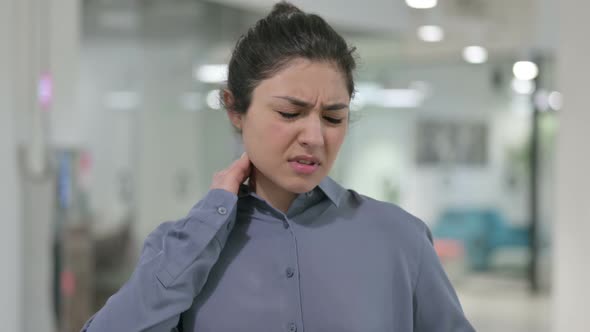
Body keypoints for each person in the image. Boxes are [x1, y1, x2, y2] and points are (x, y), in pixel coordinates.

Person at [81, 2, 475, 331]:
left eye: (334, 118)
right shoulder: (182, 247)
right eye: (290, 113)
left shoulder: (400, 239)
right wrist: (210, 218)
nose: (315, 137)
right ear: (235, 109)